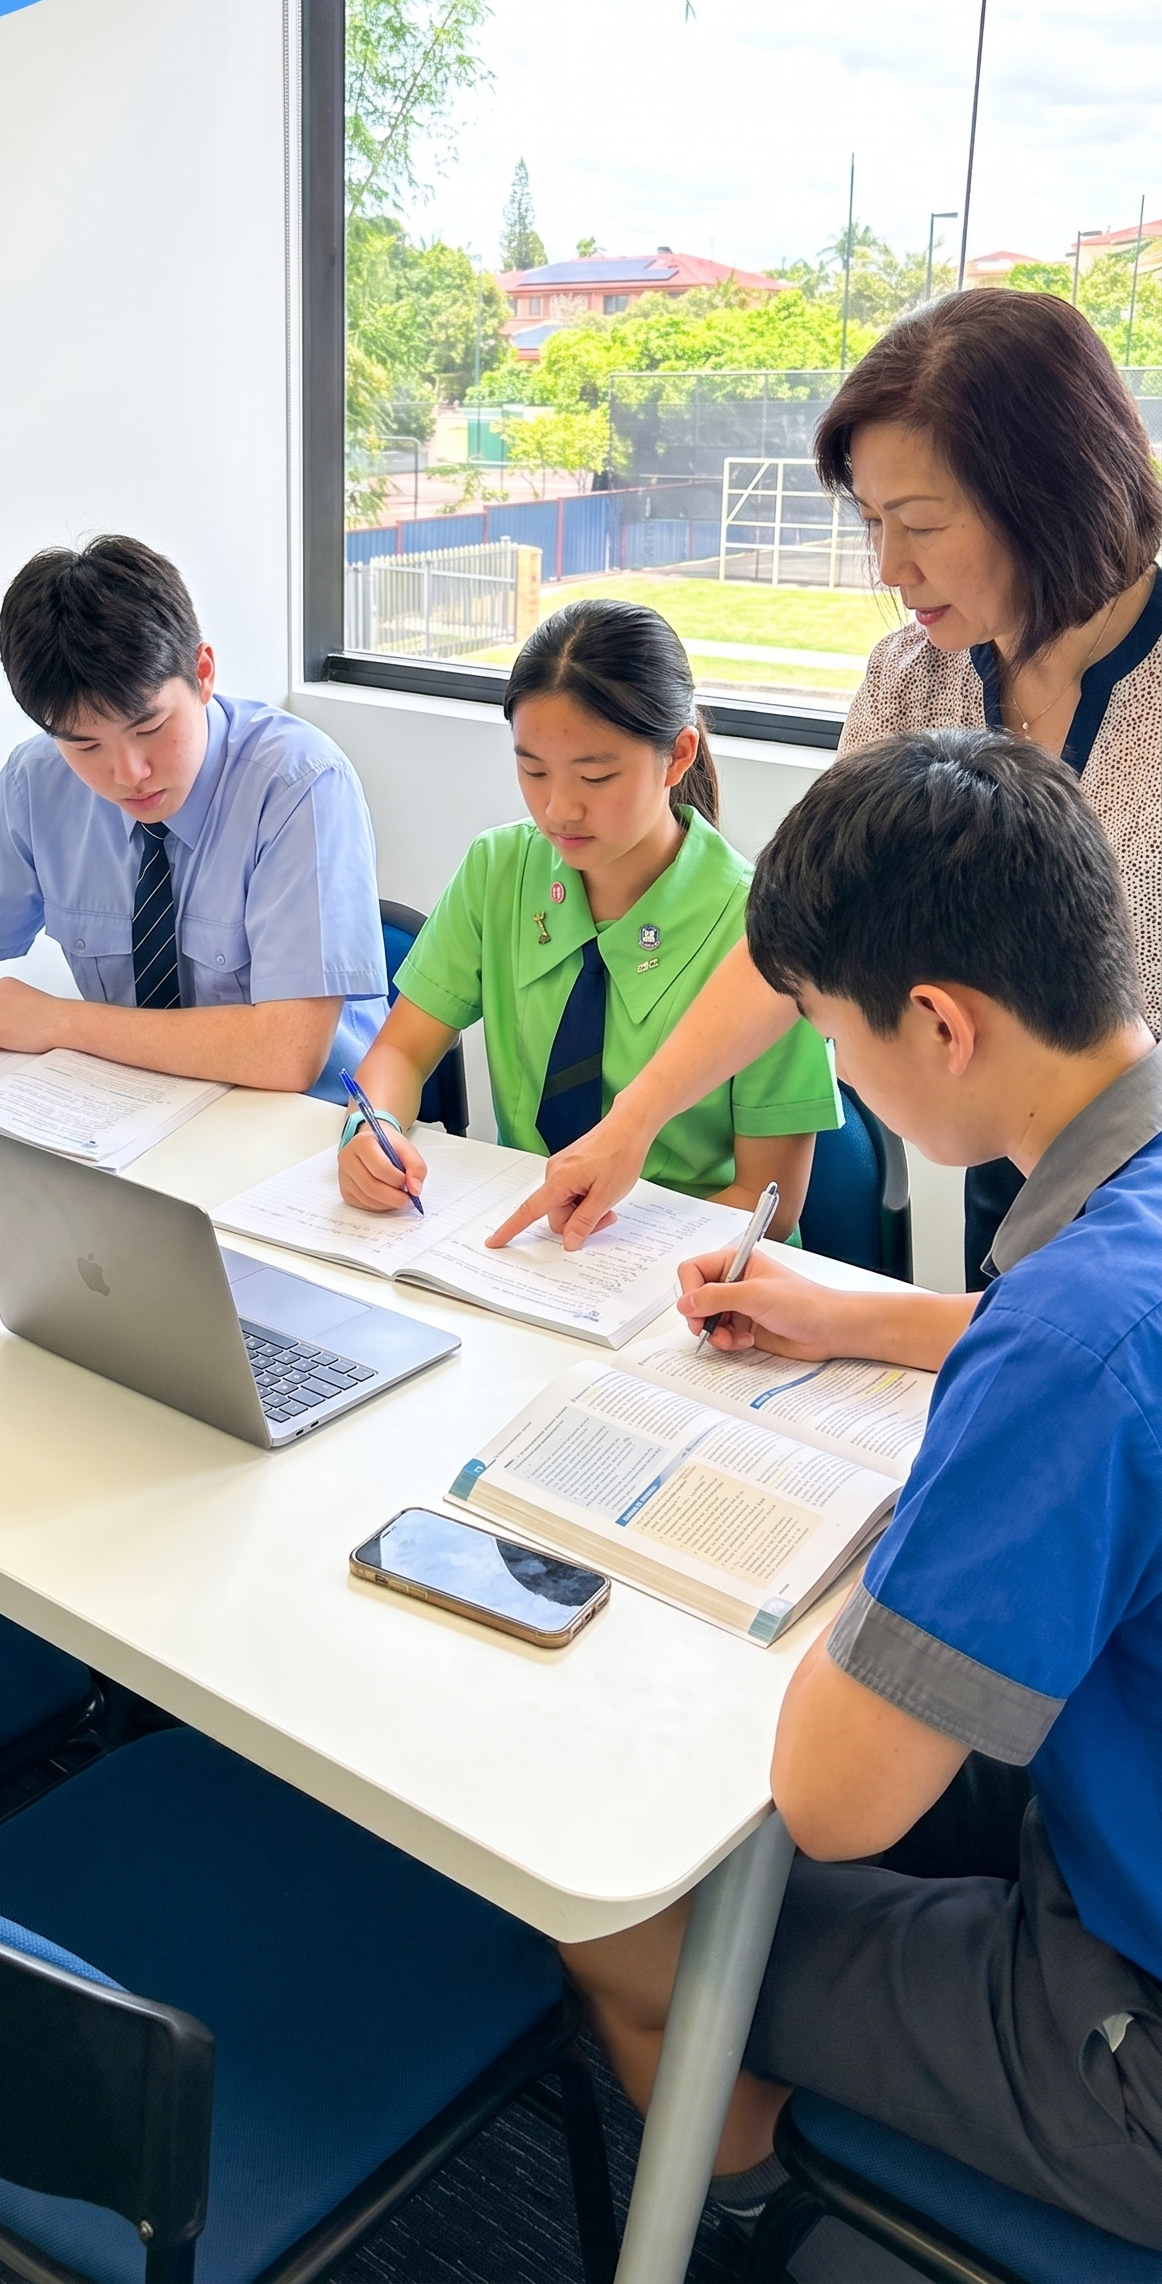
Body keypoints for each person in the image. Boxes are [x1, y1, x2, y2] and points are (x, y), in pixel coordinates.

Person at [563, 729, 1162, 2252]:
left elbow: (831, 1804)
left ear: (940, 1025)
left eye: (837, 1038)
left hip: (1130, 2029)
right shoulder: (1113, 1241)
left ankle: (768, 2217)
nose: (839, 1074)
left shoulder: (1068, 1348)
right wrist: (857, 1320)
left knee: (626, 1919)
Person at [489, 289, 1162, 1288]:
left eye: (922, 524)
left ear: (1050, 496)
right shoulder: (914, 677)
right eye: (872, 521)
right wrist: (631, 1127)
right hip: (1020, 1168)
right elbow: (803, 931)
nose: (892, 565)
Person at [337, 598, 839, 1238]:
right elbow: (402, 1052)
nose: (559, 810)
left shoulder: (762, 930)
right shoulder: (500, 868)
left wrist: (614, 1243)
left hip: (673, 1279)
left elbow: (768, 1204)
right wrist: (370, 1128)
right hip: (515, 1250)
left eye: (596, 776)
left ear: (678, 756)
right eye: (533, 769)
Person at [0, 536, 387, 1104]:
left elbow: (287, 1053)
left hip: (310, 1131)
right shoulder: (39, 781)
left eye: (149, 728)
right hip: (131, 1116)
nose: (128, 773)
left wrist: (61, 1022)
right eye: (85, 746)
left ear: (202, 673)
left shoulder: (300, 784)